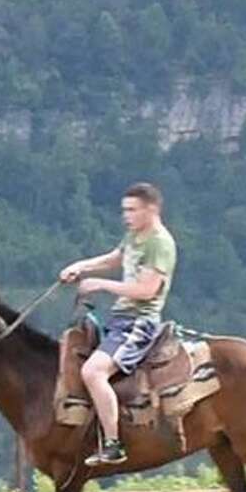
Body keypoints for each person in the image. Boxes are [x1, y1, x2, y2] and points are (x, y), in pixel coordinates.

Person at [57, 181, 177, 466]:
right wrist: (81, 266)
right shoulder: (135, 236)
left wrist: (101, 285)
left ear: (151, 209)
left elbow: (147, 290)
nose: (127, 216)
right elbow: (115, 258)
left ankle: (113, 443)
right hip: (120, 318)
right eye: (125, 210)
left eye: (133, 210)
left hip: (139, 321)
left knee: (93, 371)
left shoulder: (160, 243)